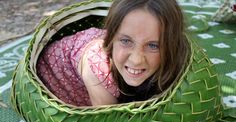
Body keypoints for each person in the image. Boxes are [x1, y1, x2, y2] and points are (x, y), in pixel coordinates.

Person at [37, 0, 190, 106]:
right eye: (125, 41)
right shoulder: (98, 68)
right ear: (111, 38)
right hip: (52, 83)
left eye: (153, 45)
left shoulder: (175, 56)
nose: (136, 60)